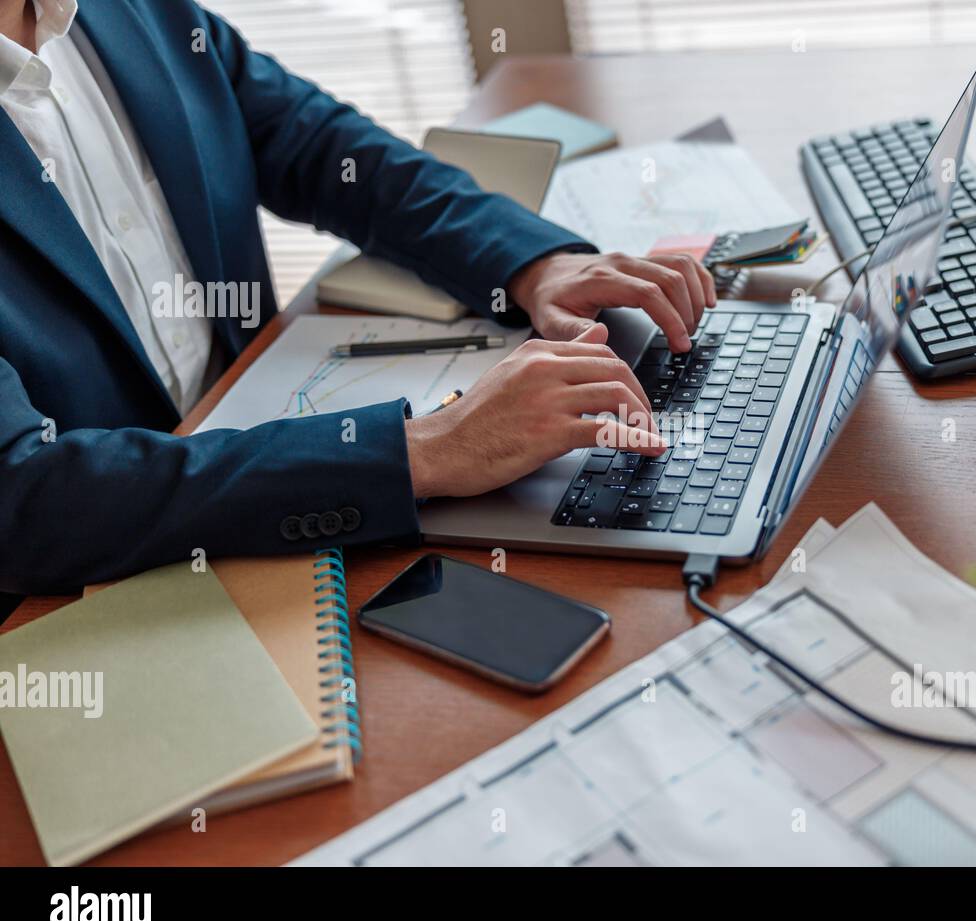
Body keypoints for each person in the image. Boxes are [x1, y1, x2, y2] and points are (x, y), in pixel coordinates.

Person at [0, 0, 714, 596]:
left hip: (265, 458)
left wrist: (533, 263)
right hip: (93, 597)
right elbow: (21, 498)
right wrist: (419, 452)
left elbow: (317, 145)